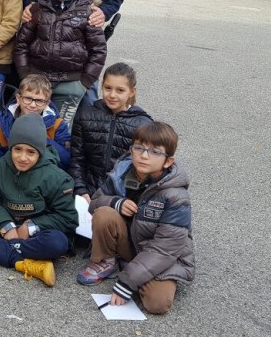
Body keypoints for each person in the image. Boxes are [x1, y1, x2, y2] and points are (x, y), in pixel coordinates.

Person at [77, 122, 195, 316]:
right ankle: (107, 260)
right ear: (131, 150)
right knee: (105, 213)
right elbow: (95, 202)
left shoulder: (175, 195)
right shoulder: (122, 172)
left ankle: (131, 270)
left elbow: (166, 247)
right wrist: (116, 202)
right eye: (139, 148)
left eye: (155, 152)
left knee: (157, 304)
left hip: (157, 252)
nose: (144, 155)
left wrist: (128, 281)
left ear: (168, 161)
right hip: (129, 242)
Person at [0, 113, 76, 287]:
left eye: (31, 152)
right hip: (8, 227)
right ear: (10, 148)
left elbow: (67, 218)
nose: (22, 157)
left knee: (58, 242)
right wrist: (6, 226)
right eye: (17, 149)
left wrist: (31, 226)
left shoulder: (57, 177)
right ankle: (24, 262)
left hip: (36, 232)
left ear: (40, 152)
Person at [14, 0, 107, 122]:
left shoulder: (88, 12)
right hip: (37, 82)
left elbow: (98, 51)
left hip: (70, 84)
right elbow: (22, 44)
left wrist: (84, 82)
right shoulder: (37, 9)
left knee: (62, 131)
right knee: (30, 125)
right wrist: (24, 74)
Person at [70, 62, 153, 200]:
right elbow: (77, 158)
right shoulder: (85, 116)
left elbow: (145, 168)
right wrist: (80, 189)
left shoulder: (143, 124)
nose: (112, 95)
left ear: (132, 91)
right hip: (88, 191)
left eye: (120, 90)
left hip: (123, 195)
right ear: (101, 86)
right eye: (108, 88)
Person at [0, 74, 70, 176]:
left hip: (42, 177)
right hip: (11, 175)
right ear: (18, 98)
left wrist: (42, 139)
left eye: (39, 101)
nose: (32, 105)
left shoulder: (57, 125)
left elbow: (66, 161)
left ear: (47, 103)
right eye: (28, 98)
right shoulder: (3, 124)